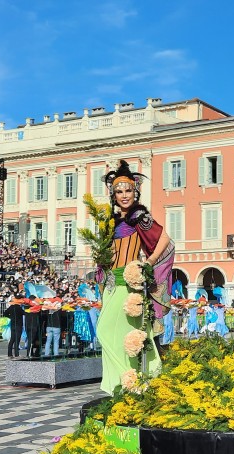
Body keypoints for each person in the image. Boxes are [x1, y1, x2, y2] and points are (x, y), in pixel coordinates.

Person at [96, 160, 174, 395]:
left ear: (135, 191)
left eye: (128, 190)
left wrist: (148, 263)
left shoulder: (139, 215)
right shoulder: (110, 220)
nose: (124, 195)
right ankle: (125, 381)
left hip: (128, 284)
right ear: (113, 194)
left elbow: (165, 239)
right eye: (119, 191)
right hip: (112, 283)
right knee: (113, 333)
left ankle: (134, 379)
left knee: (126, 333)